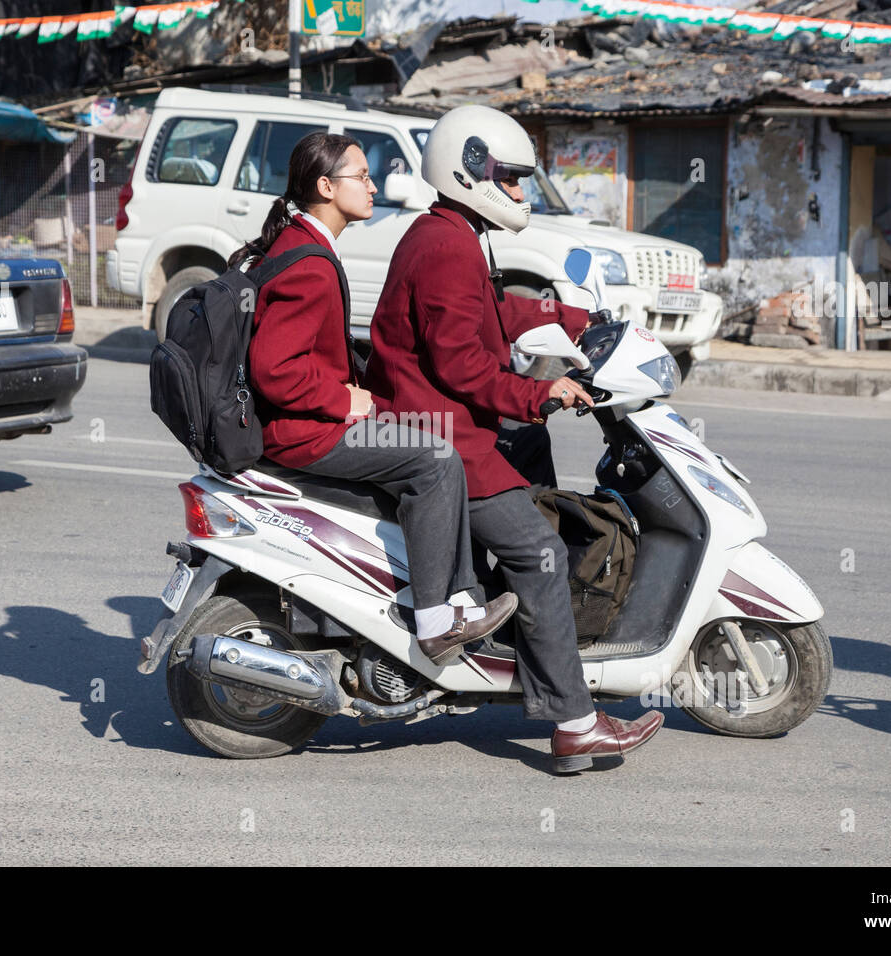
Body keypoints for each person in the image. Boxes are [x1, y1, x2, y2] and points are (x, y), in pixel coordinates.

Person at [364, 105, 665, 773]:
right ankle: (574, 722)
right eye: (511, 179)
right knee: (542, 552)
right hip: (443, 435)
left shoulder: (447, 234)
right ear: (469, 171)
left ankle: (511, 653)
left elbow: (487, 313)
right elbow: (459, 364)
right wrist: (539, 393)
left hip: (441, 424)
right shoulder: (446, 244)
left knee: (531, 464)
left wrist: (566, 316)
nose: (520, 193)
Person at [235, 131, 517, 665]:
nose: (371, 186)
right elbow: (274, 371)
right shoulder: (310, 263)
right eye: (360, 176)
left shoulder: (303, 243)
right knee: (435, 459)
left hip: (306, 421)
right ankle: (437, 619)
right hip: (303, 433)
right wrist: (346, 401)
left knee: (428, 440)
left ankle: (460, 600)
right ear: (325, 186)